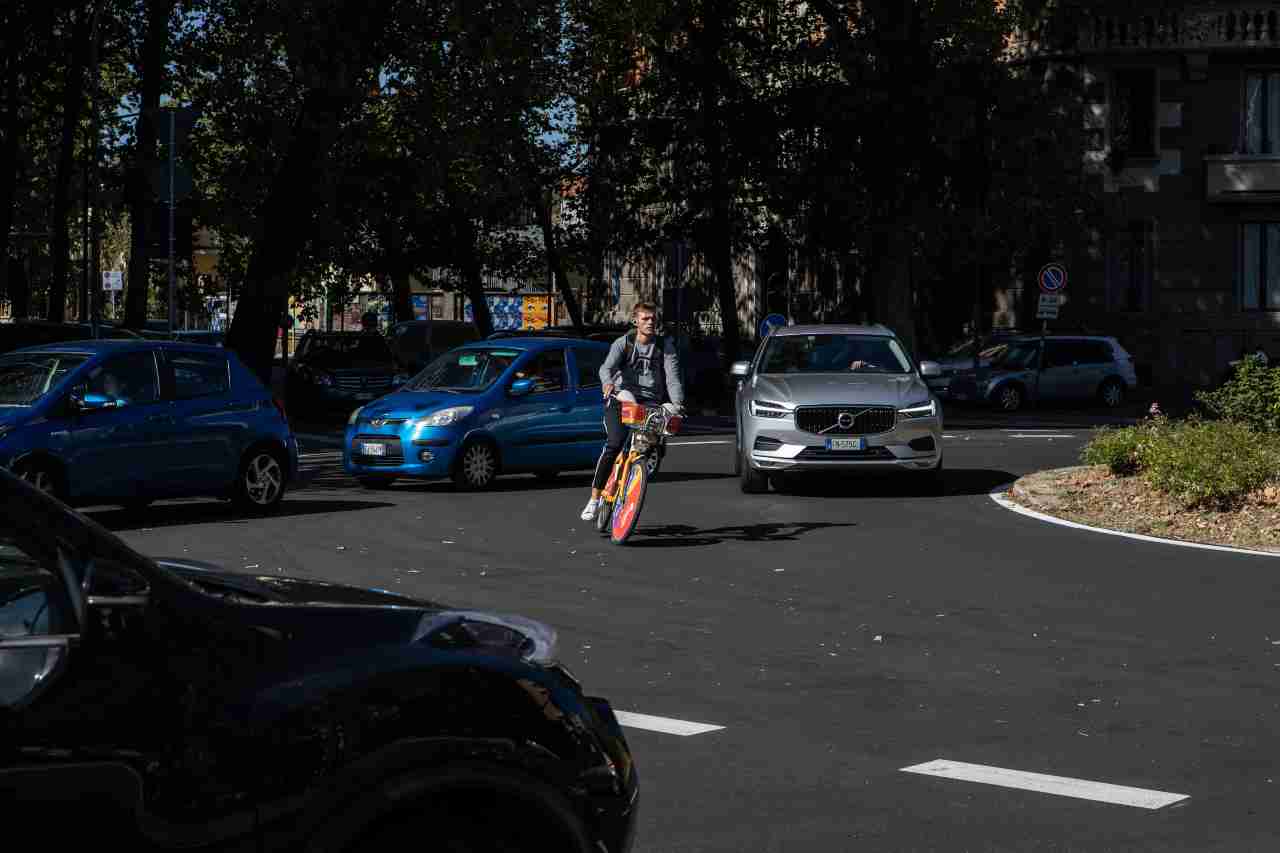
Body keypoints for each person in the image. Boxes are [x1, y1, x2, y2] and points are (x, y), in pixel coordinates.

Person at [580, 303, 685, 521]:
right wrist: (607, 384)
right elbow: (605, 368)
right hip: (621, 398)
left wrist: (677, 405)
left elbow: (673, 378)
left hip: (650, 402)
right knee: (614, 444)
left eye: (653, 319)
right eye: (645, 318)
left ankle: (632, 477)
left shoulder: (665, 346)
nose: (650, 322)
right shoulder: (624, 343)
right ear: (635, 321)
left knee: (649, 445)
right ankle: (594, 498)